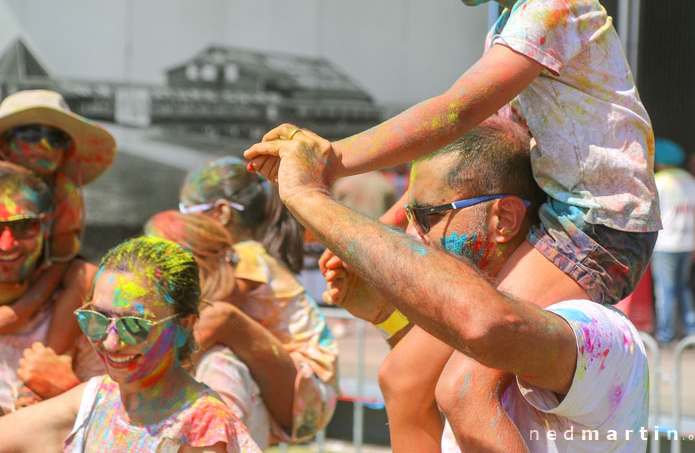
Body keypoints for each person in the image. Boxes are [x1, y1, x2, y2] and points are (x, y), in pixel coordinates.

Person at [246, 0, 660, 306]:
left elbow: (456, 113)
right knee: (404, 376)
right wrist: (388, 227)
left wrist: (330, 159)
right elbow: (476, 149)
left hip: (599, 227)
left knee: (480, 358)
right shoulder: (509, 25)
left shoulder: (553, 6)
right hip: (551, 215)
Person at [253, 119, 650, 451]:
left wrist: (308, 195)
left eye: (427, 215)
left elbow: (487, 330)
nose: (413, 233)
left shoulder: (595, 332)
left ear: (504, 220)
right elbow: (413, 386)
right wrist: (387, 317)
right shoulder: (493, 328)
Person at [0, 236, 262, 453]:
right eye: (98, 319)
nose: (112, 343)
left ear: (183, 325)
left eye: (135, 326)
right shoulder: (96, 399)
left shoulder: (202, 429)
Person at [177, 157, 338, 446]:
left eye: (186, 211)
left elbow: (211, 313)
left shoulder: (247, 255)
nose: (182, 225)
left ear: (222, 213)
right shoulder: (239, 257)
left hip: (310, 387)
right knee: (217, 357)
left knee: (219, 323)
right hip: (290, 385)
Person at [0, 89, 116, 363]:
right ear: (4, 143)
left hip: (35, 277)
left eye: (56, 138)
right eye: (29, 133)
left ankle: (51, 358)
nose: (43, 144)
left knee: (85, 275)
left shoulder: (64, 193)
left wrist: (21, 311)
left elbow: (61, 259)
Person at [0, 161, 102, 414]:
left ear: (45, 227)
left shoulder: (84, 309)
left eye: (24, 226)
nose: (6, 244)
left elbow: (122, 425)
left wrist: (67, 389)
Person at [651, 138, 695, 346]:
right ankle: (693, 331)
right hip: (688, 243)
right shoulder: (691, 182)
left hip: (665, 244)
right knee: (683, 287)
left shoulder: (658, 181)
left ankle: (665, 334)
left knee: (665, 290)